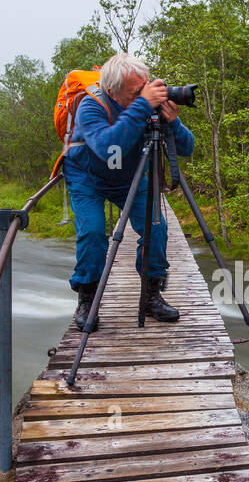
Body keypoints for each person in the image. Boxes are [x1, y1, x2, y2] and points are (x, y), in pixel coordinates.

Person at [63, 52, 194, 331]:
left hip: (128, 178)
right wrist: (143, 106)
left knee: (155, 226)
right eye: (136, 91)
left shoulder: (143, 103)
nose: (145, 93)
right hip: (87, 177)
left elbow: (187, 148)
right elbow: (110, 149)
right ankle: (87, 298)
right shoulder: (91, 106)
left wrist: (173, 122)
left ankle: (151, 296)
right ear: (112, 91)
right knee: (94, 231)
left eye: (146, 86)